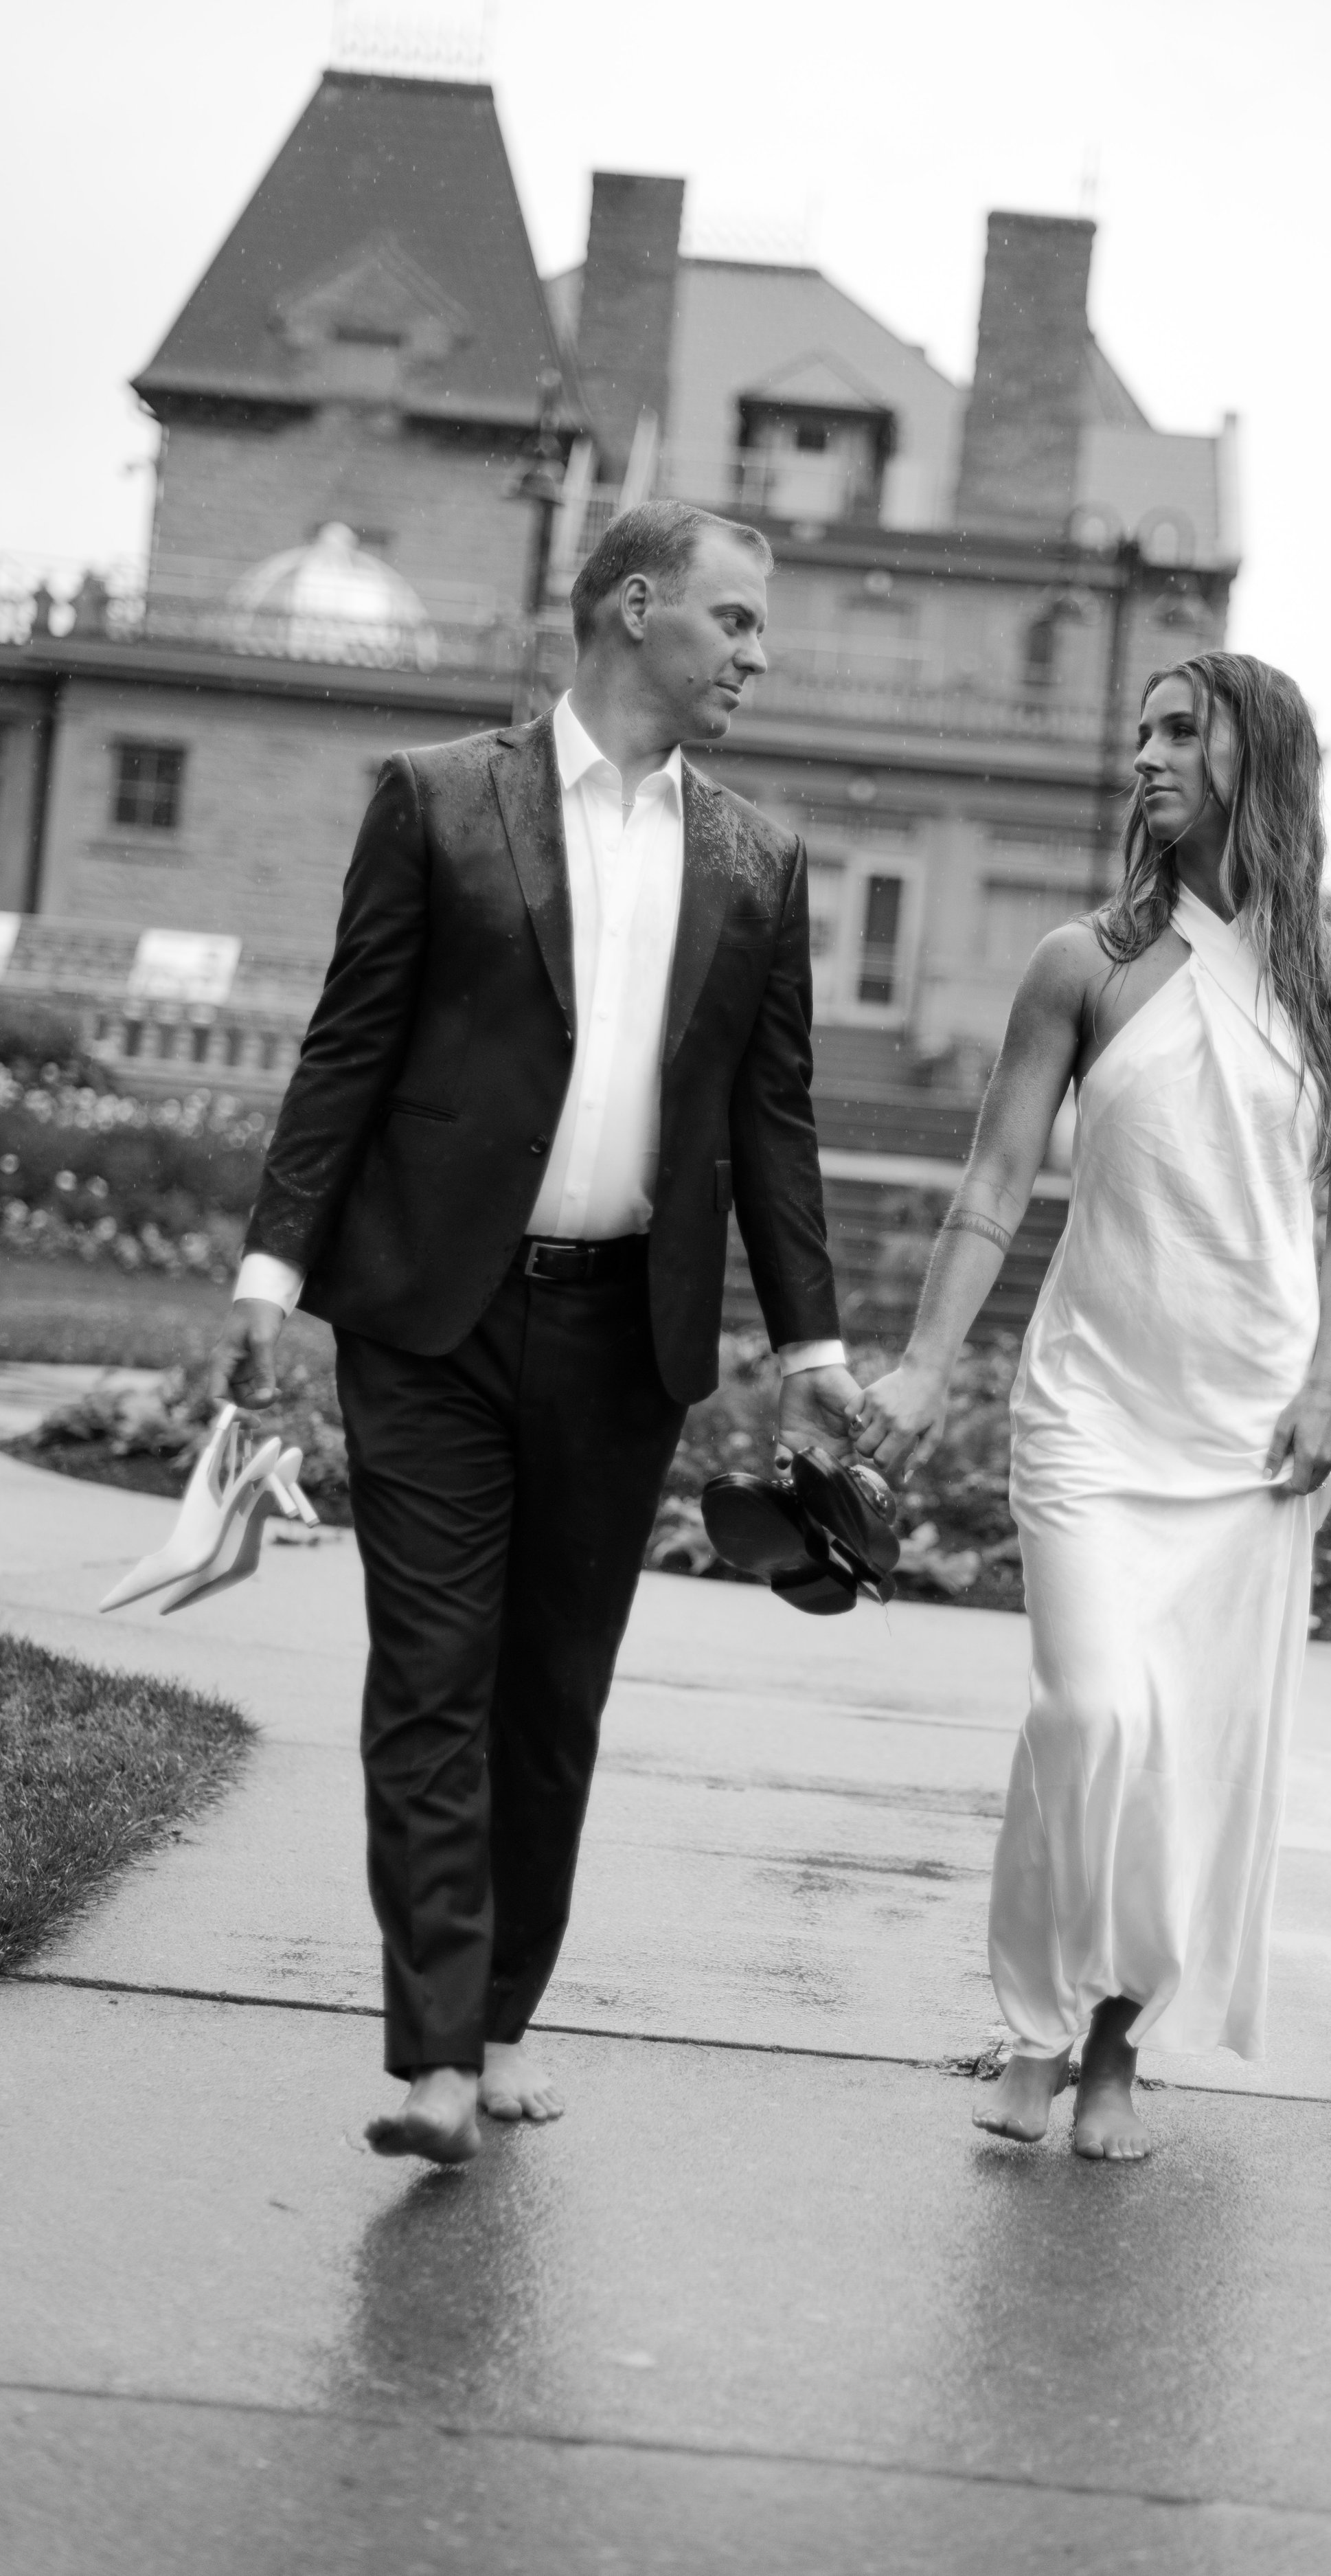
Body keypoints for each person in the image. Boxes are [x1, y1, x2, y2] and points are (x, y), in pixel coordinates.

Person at [212, 501, 863, 2163]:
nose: (756, 655)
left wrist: (813, 1351)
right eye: (732, 620)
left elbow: (771, 1127)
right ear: (632, 610)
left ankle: (501, 2023)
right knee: (431, 1677)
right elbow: (344, 1051)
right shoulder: (436, 803)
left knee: (551, 1696)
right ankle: (431, 2059)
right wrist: (269, 1283)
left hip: (620, 1338)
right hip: (430, 1319)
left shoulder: (758, 860)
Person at [856, 651, 1331, 2159]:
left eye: (1182, 732)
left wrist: (1325, 1389)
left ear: (1259, 761)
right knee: (1090, 1713)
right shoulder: (1081, 964)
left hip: (1246, 1439)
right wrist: (922, 1360)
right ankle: (1029, 2015)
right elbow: (990, 1185)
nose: (1145, 757)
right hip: (1090, 1406)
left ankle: (1107, 2050)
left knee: (1187, 1761)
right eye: (1142, 734)